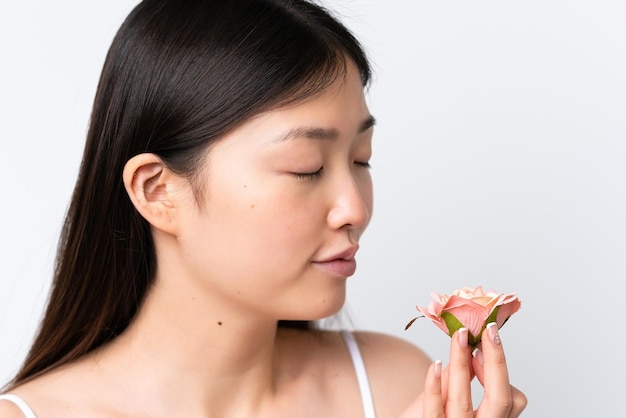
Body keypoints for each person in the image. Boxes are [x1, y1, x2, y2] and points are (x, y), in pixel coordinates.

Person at [0, 0, 526, 416]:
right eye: (306, 167)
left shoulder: (403, 388)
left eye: (361, 159)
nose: (354, 209)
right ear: (157, 191)